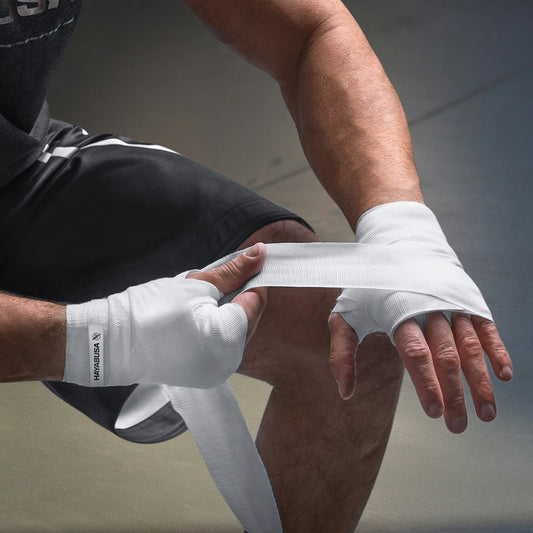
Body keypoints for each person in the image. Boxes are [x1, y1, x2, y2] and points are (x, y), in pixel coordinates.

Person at [0, 0, 513, 531]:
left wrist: (401, 229)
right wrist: (99, 340)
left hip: (15, 168)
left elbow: (310, 30)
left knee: (345, 333)